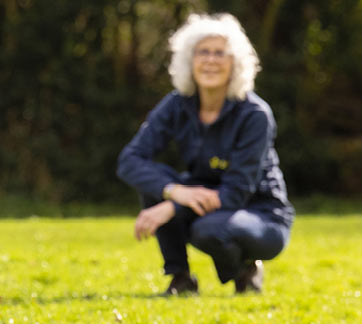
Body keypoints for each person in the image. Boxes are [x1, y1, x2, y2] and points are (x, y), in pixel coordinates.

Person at [116, 12, 294, 296]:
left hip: (259, 213)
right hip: (205, 201)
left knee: (208, 228)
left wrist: (174, 205)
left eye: (219, 53)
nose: (210, 60)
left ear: (235, 63)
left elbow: (236, 192)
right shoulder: (177, 104)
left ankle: (246, 271)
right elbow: (130, 159)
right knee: (155, 181)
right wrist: (173, 190)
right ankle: (180, 279)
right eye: (203, 52)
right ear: (189, 60)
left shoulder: (255, 115)